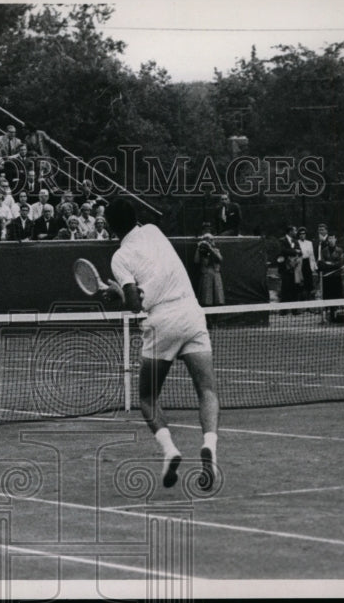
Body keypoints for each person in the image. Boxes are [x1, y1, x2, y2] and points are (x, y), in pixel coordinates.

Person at [100, 199, 219, 491]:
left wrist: (117, 293)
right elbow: (155, 276)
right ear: (136, 218)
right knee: (207, 390)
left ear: (111, 227)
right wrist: (127, 294)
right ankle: (210, 446)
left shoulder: (120, 256)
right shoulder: (154, 230)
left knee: (147, 398)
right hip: (192, 313)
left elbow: (134, 305)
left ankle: (170, 450)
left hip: (162, 320)